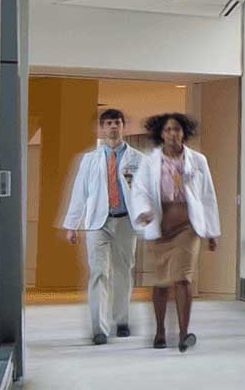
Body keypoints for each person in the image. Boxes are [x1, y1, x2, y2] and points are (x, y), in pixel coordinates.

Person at [124, 112, 222, 350]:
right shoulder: (149, 162)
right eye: (167, 129)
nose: (172, 134)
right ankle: (159, 331)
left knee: (182, 279)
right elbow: (140, 191)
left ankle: (183, 332)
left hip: (188, 227)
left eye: (177, 129)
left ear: (184, 132)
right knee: (160, 282)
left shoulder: (198, 160)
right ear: (160, 133)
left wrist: (211, 232)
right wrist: (144, 212)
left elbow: (207, 196)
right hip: (160, 228)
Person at [52, 109, 144, 344]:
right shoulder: (89, 159)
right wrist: (72, 225)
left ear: (124, 126)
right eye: (109, 123)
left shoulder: (138, 159)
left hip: (125, 221)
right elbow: (79, 193)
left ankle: (121, 320)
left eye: (117, 123)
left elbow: (146, 193)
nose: (113, 127)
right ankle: (99, 329)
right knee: (98, 273)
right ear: (102, 128)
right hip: (97, 223)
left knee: (123, 272)